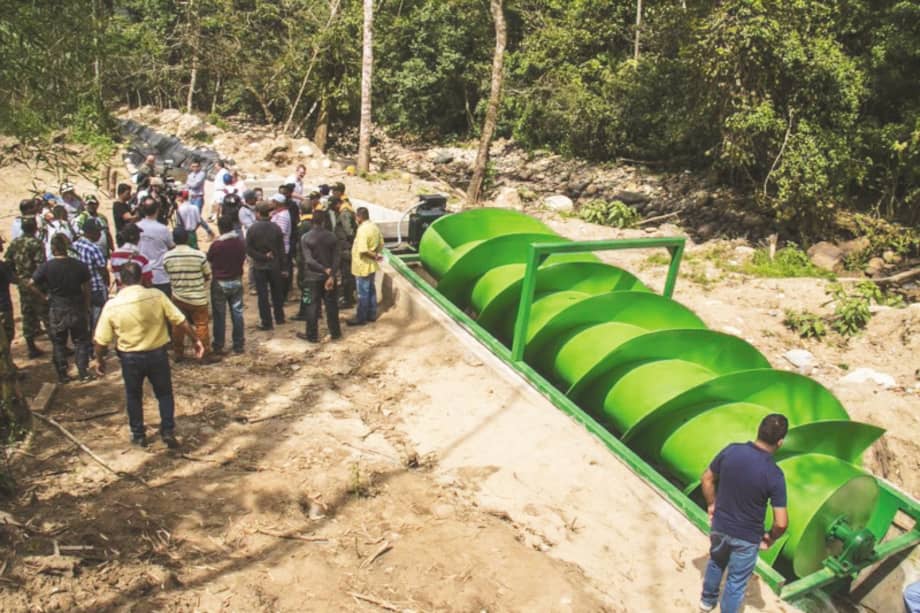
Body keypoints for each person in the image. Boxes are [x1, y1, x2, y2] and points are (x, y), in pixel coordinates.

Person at [93, 261, 203, 448]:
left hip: (130, 357)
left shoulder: (112, 305)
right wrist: (195, 340)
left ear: (120, 280)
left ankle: (138, 434)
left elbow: (101, 340)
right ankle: (167, 430)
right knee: (164, 393)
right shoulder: (156, 295)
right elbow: (180, 320)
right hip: (157, 354)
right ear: (142, 277)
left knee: (133, 395)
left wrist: (99, 360)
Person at [700, 414, 789, 613]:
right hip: (747, 537)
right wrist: (769, 537)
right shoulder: (774, 474)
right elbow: (781, 523)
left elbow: (706, 479)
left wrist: (712, 505)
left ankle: (706, 602)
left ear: (759, 430)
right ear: (780, 442)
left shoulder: (731, 451)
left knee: (715, 561)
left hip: (721, 526)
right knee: (736, 582)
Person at [30, 234, 93, 383]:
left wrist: (44, 297)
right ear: (66, 247)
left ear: (53, 248)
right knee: (80, 340)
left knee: (59, 342)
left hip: (57, 307)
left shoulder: (47, 266)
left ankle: (63, 374)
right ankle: (83, 371)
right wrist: (87, 305)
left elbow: (31, 283)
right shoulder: (79, 265)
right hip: (77, 305)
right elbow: (87, 288)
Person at [163, 227, 216, 363]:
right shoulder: (199, 255)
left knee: (178, 325)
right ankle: (204, 354)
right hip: (198, 297)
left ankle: (178, 353)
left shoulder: (167, 256)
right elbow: (207, 275)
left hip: (178, 296)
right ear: (187, 238)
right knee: (202, 325)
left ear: (174, 240)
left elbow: (168, 273)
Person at [5, 218, 48, 358]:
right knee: (46, 313)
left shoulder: (15, 243)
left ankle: (31, 347)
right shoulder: (36, 243)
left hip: (23, 283)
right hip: (37, 283)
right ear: (35, 228)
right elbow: (41, 265)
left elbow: (8, 262)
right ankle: (60, 345)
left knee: (27, 314)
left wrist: (17, 278)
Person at [296, 210, 341, 343]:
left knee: (311, 306)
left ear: (311, 221)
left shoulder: (305, 237)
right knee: (331, 305)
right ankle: (335, 332)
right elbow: (337, 259)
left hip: (311, 277)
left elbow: (309, 260)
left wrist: (324, 270)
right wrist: (331, 274)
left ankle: (311, 334)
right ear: (324, 221)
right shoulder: (332, 237)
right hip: (329, 278)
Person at [207, 216, 246, 354]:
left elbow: (209, 260)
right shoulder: (240, 243)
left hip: (220, 282)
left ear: (220, 228)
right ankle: (238, 344)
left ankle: (218, 345)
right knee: (237, 313)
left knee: (219, 315)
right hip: (236, 280)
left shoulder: (217, 245)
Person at [246, 202, 286, 330]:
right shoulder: (276, 228)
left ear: (258, 213)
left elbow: (249, 250)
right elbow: (281, 250)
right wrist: (284, 267)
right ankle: (279, 318)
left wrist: (262, 257)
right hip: (274, 266)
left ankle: (266, 322)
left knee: (262, 296)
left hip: (259, 266)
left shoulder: (252, 229)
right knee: (276, 293)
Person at [347, 207, 383, 326]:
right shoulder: (374, 227)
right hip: (371, 266)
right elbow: (381, 243)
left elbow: (362, 250)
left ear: (359, 217)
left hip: (362, 265)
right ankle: (371, 314)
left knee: (362, 293)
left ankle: (361, 317)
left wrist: (374, 255)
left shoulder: (362, 230)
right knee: (371, 290)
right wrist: (377, 253)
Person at [73, 220, 110, 334]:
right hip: (96, 287)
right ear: (89, 233)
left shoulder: (74, 245)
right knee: (98, 318)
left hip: (79, 288)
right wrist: (106, 283)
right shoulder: (94, 248)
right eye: (97, 232)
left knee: (84, 316)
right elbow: (102, 270)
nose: (100, 235)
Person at [136, 197, 175, 296]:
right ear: (157, 210)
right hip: (160, 276)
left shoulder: (136, 227)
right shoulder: (163, 229)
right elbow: (172, 246)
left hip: (141, 275)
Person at [330, 195, 357, 307]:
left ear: (337, 204)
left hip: (346, 248)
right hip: (345, 247)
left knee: (347, 276)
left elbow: (349, 232)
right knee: (347, 275)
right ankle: (348, 297)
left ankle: (348, 299)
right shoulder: (344, 212)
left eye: (332, 206)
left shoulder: (344, 213)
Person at [110, 223, 153, 291]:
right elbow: (147, 282)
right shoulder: (142, 258)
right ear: (134, 237)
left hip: (121, 293)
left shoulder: (114, 255)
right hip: (139, 294)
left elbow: (115, 273)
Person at [270, 192, 294, 296]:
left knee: (281, 275)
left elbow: (280, 232)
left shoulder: (283, 216)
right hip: (279, 248)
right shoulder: (278, 213)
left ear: (277, 203)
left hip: (282, 249)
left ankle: (281, 296)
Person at [0, 237, 16, 360]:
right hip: (3, 306)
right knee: (7, 336)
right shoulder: (2, 266)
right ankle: (7, 368)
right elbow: (14, 280)